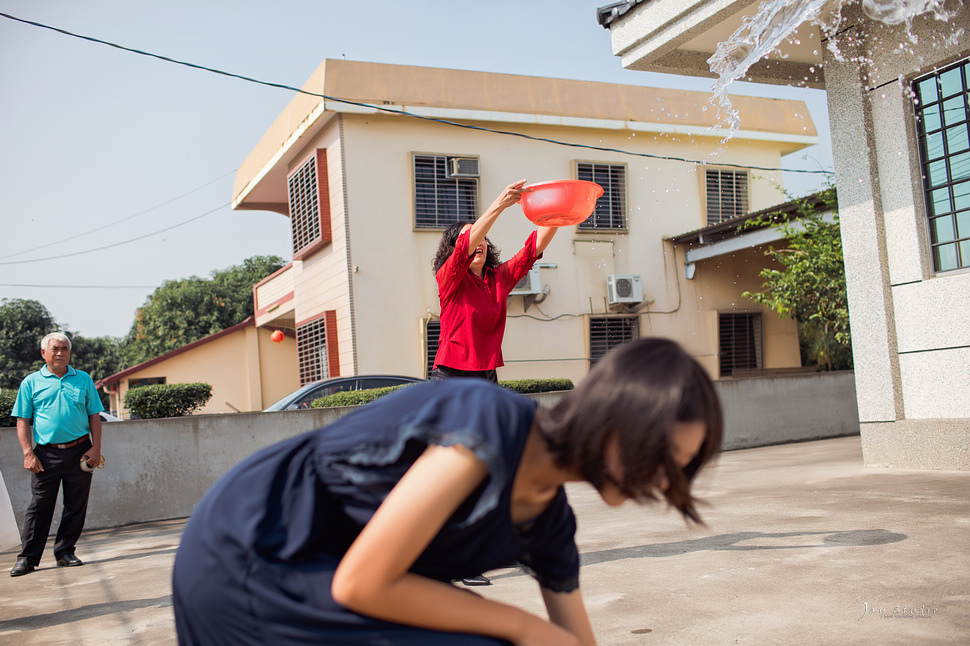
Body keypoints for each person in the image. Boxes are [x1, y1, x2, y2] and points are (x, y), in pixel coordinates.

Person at [172, 337, 723, 646]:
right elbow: (365, 583)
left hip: (320, 572)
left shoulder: (550, 524)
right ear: (618, 420)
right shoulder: (490, 421)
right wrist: (521, 626)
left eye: (679, 468)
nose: (663, 480)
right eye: (664, 455)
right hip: (253, 553)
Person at [430, 179, 559, 383]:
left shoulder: (499, 278)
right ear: (454, 249)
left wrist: (559, 212)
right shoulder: (449, 278)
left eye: (483, 237)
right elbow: (466, 246)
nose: (479, 241)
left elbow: (532, 250)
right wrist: (500, 203)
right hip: (450, 374)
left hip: (487, 374)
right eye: (472, 237)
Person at [9, 332, 103, 577]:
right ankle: (28, 558)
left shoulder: (83, 380)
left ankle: (65, 552)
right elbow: (23, 420)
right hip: (45, 455)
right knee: (39, 506)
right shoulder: (31, 382)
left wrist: (96, 448)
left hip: (80, 452)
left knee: (75, 505)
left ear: (69, 353)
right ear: (43, 353)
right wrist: (28, 452)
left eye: (64, 348)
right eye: (55, 349)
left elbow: (95, 415)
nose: (60, 353)